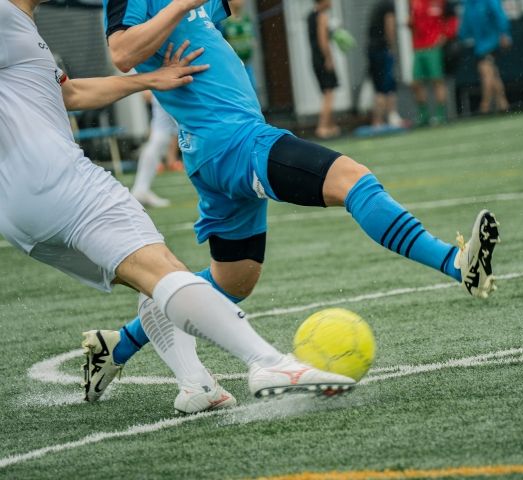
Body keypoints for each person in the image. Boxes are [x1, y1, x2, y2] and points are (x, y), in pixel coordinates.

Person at [90, 0, 501, 410]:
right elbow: (123, 52)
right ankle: (455, 263)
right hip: (235, 141)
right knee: (352, 180)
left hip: (219, 149)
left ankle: (116, 346)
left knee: (234, 282)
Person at [0, 0, 355, 415]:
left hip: (17, 210)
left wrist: (149, 80)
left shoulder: (21, 25)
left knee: (149, 278)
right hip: (57, 179)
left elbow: (71, 94)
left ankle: (194, 384)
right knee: (165, 271)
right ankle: (268, 363)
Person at [409, 0, 458, 125]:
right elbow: (414, 21)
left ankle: (440, 115)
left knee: (437, 80)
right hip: (418, 48)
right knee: (416, 83)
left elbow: (452, 20)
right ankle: (424, 115)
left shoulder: (441, 2)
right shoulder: (414, 2)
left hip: (433, 48)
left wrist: (445, 35)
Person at [458, 0, 511, 114]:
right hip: (480, 45)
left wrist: (504, 33)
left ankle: (485, 106)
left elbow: (499, 15)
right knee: (493, 74)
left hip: (494, 41)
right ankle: (503, 104)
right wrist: (461, 36)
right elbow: (466, 24)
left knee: (485, 71)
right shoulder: (468, 3)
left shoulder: (490, 1)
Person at [130, 93, 178, 207]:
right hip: (172, 88)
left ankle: (141, 189)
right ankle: (141, 190)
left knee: (160, 139)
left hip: (171, 88)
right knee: (159, 139)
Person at [367, 0, 405, 129]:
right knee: (387, 85)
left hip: (372, 49)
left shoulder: (378, 5)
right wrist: (392, 46)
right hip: (382, 49)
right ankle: (390, 117)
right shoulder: (388, 5)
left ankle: (378, 120)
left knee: (379, 87)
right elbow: (389, 25)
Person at [308, 0, 340, 139]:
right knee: (329, 93)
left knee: (327, 92)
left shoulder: (310, 15)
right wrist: (328, 58)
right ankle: (322, 127)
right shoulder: (322, 16)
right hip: (322, 58)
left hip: (314, 57)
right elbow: (322, 39)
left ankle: (330, 126)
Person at [219, 0, 257, 91]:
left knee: (252, 91)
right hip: (232, 69)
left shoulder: (247, 18)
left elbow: (253, 38)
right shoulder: (223, 22)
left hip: (247, 65)